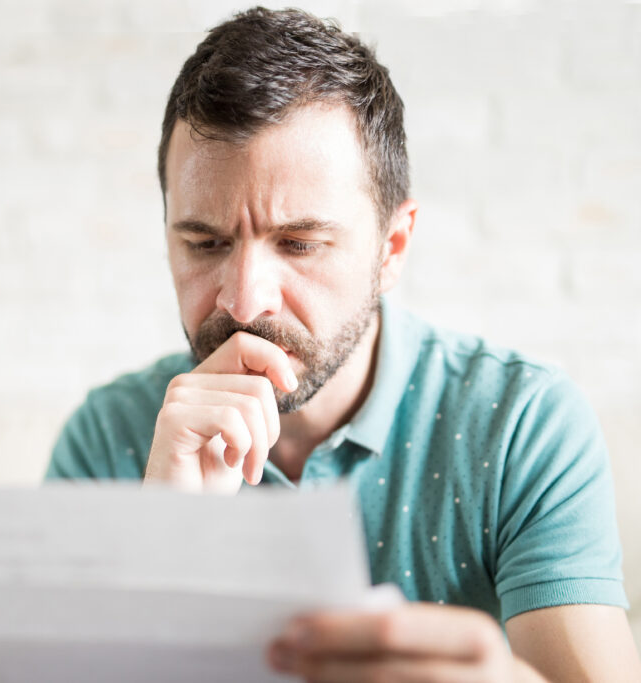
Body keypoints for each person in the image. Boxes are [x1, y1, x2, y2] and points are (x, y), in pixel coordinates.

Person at [45, 6, 641, 681]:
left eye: (300, 242)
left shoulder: (521, 425)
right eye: (204, 242)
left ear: (393, 247)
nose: (244, 301)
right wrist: (157, 548)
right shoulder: (108, 435)